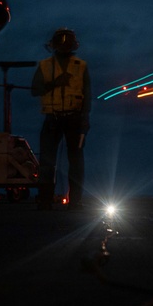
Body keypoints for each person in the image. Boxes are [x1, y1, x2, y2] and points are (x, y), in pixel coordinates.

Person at [31, 28, 91, 210]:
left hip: (73, 118)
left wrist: (84, 119)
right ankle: (45, 200)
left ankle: (73, 201)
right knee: (48, 162)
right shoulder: (45, 66)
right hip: (53, 118)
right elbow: (35, 89)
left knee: (75, 163)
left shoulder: (81, 67)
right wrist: (55, 83)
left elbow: (86, 95)